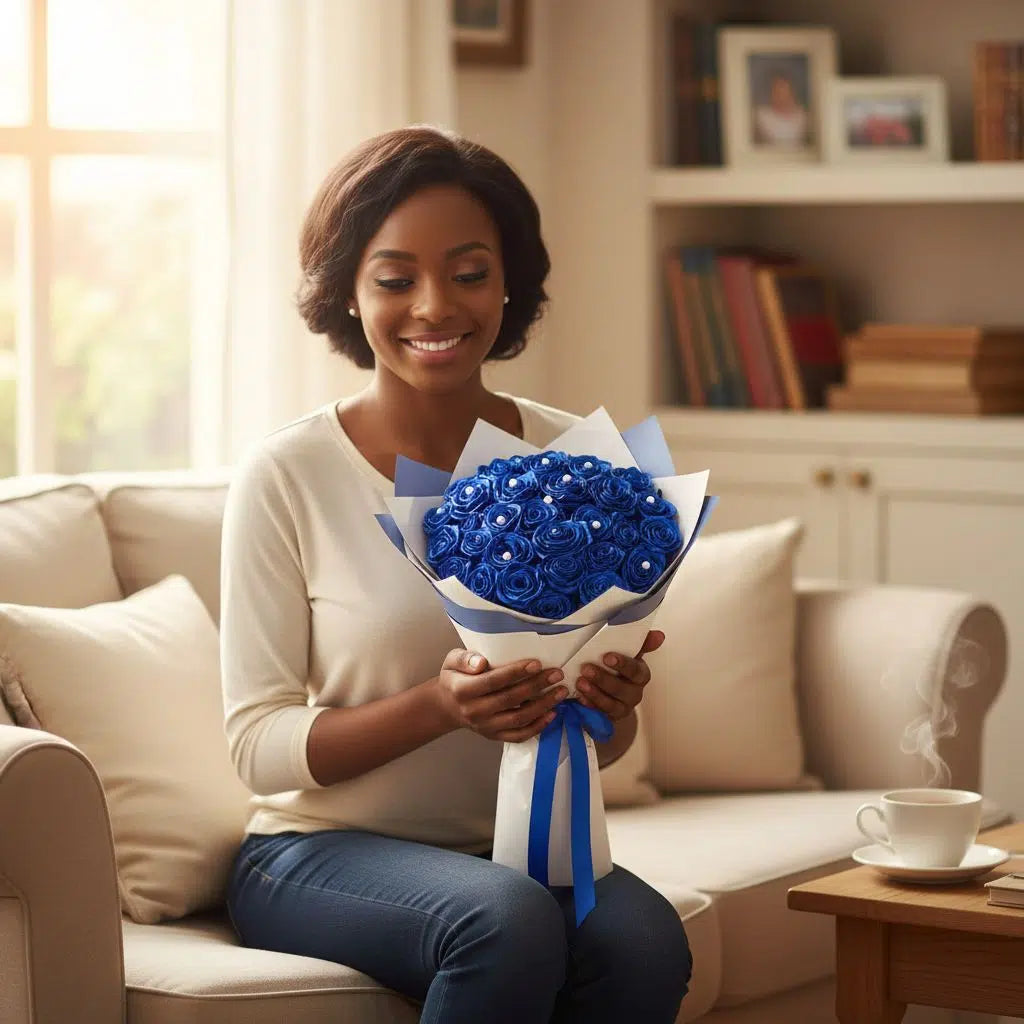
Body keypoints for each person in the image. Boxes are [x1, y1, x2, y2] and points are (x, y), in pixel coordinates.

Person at [220, 124, 692, 1024]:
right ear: (348, 294)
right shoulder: (289, 473)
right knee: (504, 921)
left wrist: (611, 706)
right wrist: (438, 709)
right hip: (317, 852)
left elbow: (603, 749)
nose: (435, 307)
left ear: (508, 282)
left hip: (520, 844)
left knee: (643, 940)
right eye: (396, 279)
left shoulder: (573, 455)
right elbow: (257, 746)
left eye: (468, 272)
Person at [753, 70, 810, 146]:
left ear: (791, 90)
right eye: (776, 90)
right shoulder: (761, 115)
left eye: (783, 88)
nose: (780, 94)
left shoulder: (804, 116)